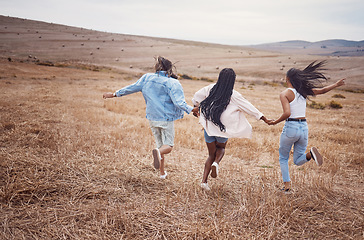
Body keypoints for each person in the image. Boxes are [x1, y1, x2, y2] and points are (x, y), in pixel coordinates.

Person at [103, 56, 198, 179]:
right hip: (166, 119)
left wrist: (114, 94)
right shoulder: (173, 83)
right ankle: (158, 155)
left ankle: (162, 173)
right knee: (168, 146)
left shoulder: (147, 78)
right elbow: (179, 103)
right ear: (170, 69)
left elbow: (131, 88)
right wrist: (192, 110)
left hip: (152, 118)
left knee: (160, 146)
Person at [268, 61, 345, 193]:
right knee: (298, 161)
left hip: (291, 127)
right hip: (304, 128)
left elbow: (287, 113)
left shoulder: (285, 93)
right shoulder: (303, 91)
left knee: (283, 158)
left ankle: (287, 187)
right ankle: (310, 155)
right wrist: (336, 85)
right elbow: (322, 90)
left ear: (288, 79)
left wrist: (275, 122)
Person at [192, 68, 271, 191]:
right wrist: (263, 118)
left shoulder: (210, 88)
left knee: (210, 154)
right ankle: (216, 163)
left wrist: (195, 107)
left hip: (209, 128)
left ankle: (204, 181)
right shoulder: (233, 94)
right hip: (222, 129)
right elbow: (249, 107)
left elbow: (196, 97)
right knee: (221, 148)